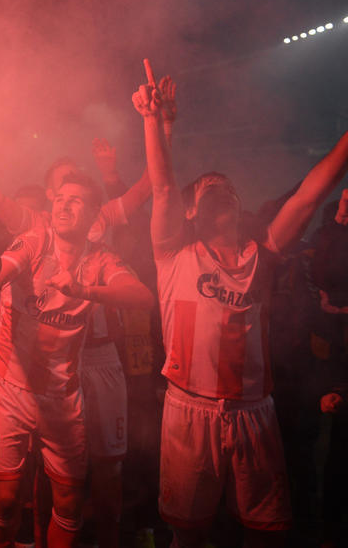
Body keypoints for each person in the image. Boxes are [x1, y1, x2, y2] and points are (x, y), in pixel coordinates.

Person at [134, 77, 348, 547]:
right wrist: (153, 121)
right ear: (191, 213)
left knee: (266, 532)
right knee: (188, 534)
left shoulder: (263, 254)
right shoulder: (174, 254)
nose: (219, 190)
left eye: (226, 187)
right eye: (207, 189)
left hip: (254, 409)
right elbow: (166, 190)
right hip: (190, 406)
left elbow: (308, 198)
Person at [0, 172, 154, 548]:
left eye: (76, 200)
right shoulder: (34, 240)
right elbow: (6, 265)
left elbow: (142, 297)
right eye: (60, 197)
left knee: (70, 501)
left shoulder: (101, 259)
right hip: (13, 387)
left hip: (62, 395)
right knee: (8, 497)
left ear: (96, 215)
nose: (64, 204)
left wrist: (84, 290)